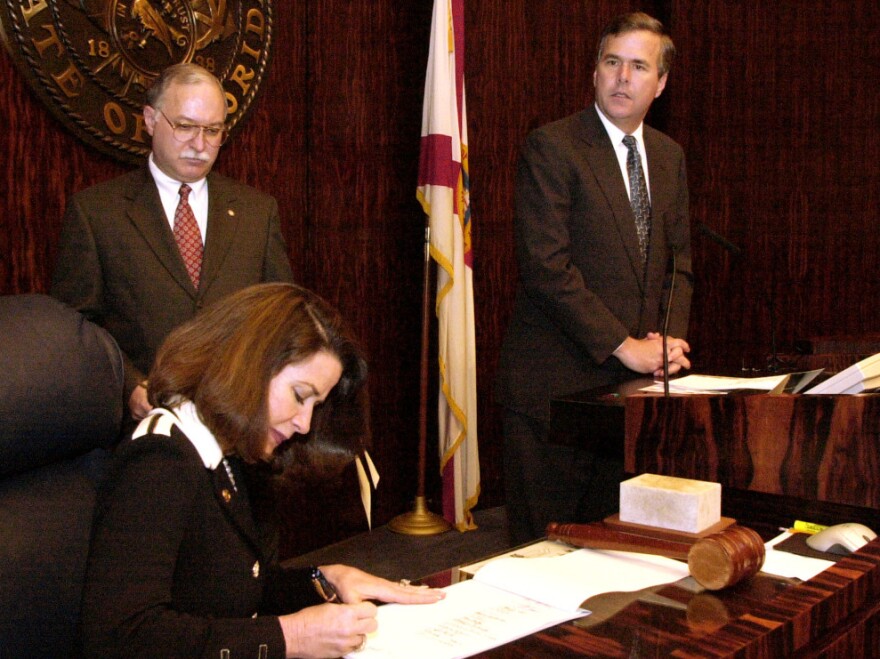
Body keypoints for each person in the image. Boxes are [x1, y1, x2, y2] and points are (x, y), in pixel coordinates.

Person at [81, 283, 445, 658]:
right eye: (300, 396)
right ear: (248, 366)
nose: (304, 424)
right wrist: (294, 637)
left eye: (315, 406)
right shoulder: (160, 460)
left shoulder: (228, 452)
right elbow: (123, 638)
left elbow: (234, 587)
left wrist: (324, 579)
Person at [495, 12, 694, 544]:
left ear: (661, 83)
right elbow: (546, 268)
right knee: (541, 560)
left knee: (612, 557)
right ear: (595, 73)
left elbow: (680, 267)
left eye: (637, 66)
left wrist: (666, 343)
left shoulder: (670, 157)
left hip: (628, 400)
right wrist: (623, 345)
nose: (622, 77)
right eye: (612, 62)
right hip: (553, 396)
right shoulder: (553, 148)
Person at [51, 63, 293, 429]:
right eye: (185, 126)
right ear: (150, 120)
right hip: (146, 431)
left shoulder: (257, 212)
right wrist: (128, 386)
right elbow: (77, 328)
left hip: (237, 427)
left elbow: (280, 315)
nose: (200, 145)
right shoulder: (97, 213)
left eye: (212, 131)